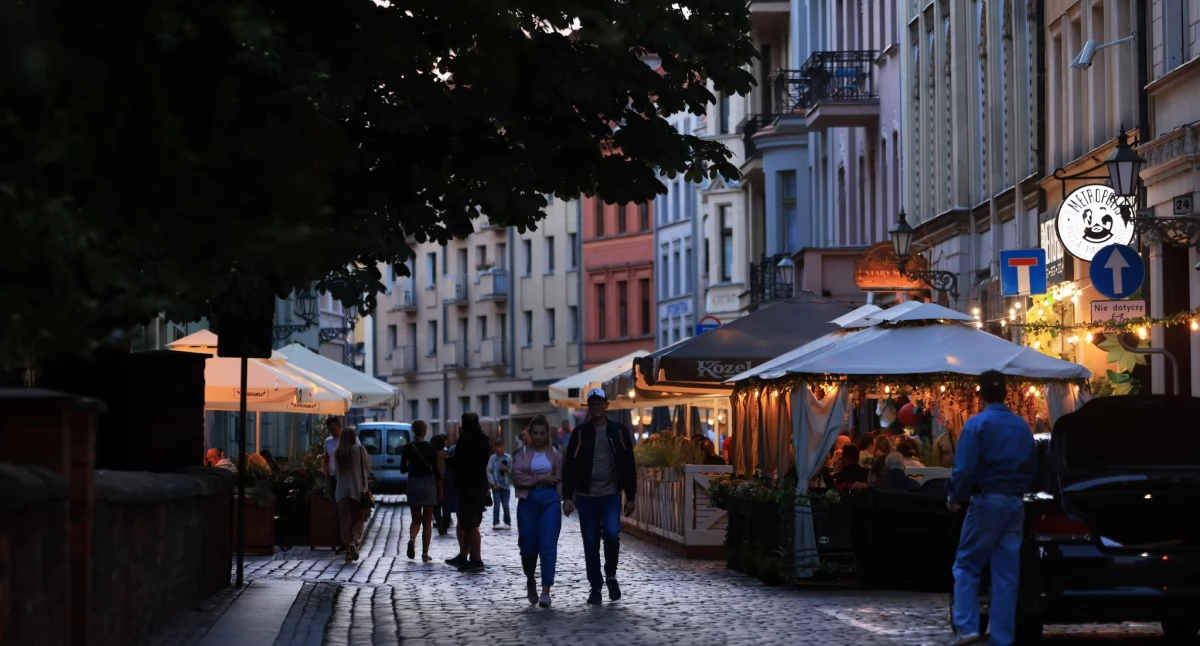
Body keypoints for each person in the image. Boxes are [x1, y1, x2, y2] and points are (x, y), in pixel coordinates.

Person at [946, 371, 1037, 646]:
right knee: (1006, 574)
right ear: (1006, 394)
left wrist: (955, 497)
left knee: (967, 565)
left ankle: (966, 627)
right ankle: (1002, 637)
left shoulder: (977, 425)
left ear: (980, 393)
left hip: (987, 500)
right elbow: (1033, 468)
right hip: (1015, 502)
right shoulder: (1022, 426)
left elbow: (964, 469)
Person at [562, 388, 637, 605]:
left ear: (606, 405)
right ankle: (595, 586)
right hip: (586, 496)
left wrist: (631, 495)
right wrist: (568, 496)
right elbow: (570, 466)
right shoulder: (580, 433)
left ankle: (611, 576)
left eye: (599, 403)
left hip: (611, 493)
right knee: (590, 541)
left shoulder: (619, 431)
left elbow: (628, 464)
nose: (596, 407)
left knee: (612, 534)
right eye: (592, 404)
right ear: (588, 407)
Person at [513, 416, 564, 607]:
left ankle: (546, 590)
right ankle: (530, 579)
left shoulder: (556, 454)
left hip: (550, 499)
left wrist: (566, 500)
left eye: (543, 433)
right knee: (528, 546)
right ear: (530, 433)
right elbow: (518, 479)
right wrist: (541, 478)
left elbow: (561, 478)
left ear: (548, 434)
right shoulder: (521, 454)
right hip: (528, 500)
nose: (539, 436)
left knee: (548, 545)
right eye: (536, 433)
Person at [448, 412, 491, 572]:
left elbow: (461, 463)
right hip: (479, 484)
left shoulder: (465, 441)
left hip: (467, 485)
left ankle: (477, 559)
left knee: (470, 523)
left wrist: (452, 463)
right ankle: (463, 555)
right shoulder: (483, 440)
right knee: (468, 522)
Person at [401, 420, 441, 562]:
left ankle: (412, 539)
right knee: (427, 521)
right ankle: (425, 554)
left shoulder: (407, 447)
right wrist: (440, 487)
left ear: (413, 431)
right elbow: (435, 471)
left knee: (416, 519)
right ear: (425, 431)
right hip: (428, 484)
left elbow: (402, 469)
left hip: (413, 484)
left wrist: (412, 465)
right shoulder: (431, 448)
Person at [333, 426, 372, 564]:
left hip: (342, 490)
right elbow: (367, 468)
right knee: (358, 519)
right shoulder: (360, 450)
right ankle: (355, 542)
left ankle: (348, 552)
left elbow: (334, 471)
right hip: (358, 489)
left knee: (345, 521)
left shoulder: (338, 452)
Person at [323, 416, 357, 554]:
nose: (332, 432)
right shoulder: (328, 442)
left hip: (350, 478)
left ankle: (351, 540)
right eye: (330, 430)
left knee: (351, 511)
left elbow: (359, 457)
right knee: (338, 511)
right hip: (334, 478)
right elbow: (326, 458)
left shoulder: (352, 441)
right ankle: (343, 542)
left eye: (334, 429)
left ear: (339, 426)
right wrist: (325, 469)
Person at [487, 440, 513, 529]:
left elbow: (512, 472)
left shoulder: (508, 457)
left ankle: (507, 522)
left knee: (506, 505)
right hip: (496, 485)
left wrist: (506, 470)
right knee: (497, 505)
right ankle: (496, 522)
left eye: (500, 447)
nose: (499, 449)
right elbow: (489, 471)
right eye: (497, 447)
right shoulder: (492, 458)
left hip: (505, 485)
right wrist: (493, 483)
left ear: (503, 447)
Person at [430, 434, 453, 535]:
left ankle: (440, 523)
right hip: (447, 480)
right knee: (446, 503)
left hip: (434, 480)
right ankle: (446, 523)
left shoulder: (431, 455)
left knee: (436, 505)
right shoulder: (447, 453)